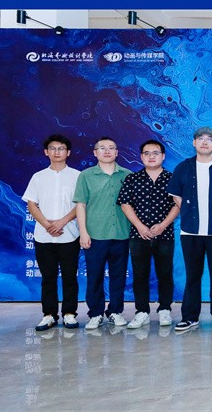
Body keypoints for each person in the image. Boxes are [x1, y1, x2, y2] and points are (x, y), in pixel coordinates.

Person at [167, 127, 212, 333]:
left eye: (210, 139)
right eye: (200, 138)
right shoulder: (183, 167)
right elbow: (176, 196)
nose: (205, 142)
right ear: (194, 142)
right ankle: (189, 317)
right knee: (192, 275)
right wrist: (190, 212)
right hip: (191, 232)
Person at [117, 139, 180, 330]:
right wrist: (140, 226)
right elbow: (125, 204)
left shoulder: (172, 178)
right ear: (141, 156)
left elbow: (178, 205)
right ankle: (141, 311)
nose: (151, 156)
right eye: (147, 153)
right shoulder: (132, 179)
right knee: (140, 274)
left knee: (165, 274)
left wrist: (163, 225)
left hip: (165, 235)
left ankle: (165, 309)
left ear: (163, 156)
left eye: (155, 153)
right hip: (139, 236)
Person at [23, 134, 81, 331]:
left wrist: (62, 221)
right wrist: (47, 225)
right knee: (48, 277)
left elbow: (81, 204)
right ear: (46, 152)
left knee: (70, 276)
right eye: (53, 148)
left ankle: (70, 314)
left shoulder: (77, 176)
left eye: (61, 148)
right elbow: (32, 203)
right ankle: (49, 315)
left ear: (68, 152)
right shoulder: (38, 177)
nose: (57, 152)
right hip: (43, 236)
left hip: (69, 234)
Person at [73, 136, 132, 330]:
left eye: (111, 148)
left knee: (118, 276)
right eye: (102, 148)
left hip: (122, 234)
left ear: (117, 152)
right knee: (95, 276)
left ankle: (115, 311)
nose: (107, 151)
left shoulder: (127, 175)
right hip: (95, 235)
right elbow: (81, 205)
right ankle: (95, 313)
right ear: (95, 152)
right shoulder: (86, 176)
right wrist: (83, 232)